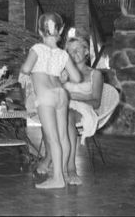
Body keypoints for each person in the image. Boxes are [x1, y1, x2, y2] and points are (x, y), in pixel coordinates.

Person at [19, 12, 81, 189]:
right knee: (63, 137)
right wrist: (62, 75)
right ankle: (61, 173)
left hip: (45, 96)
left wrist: (27, 73)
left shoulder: (37, 49)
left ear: (39, 30)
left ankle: (58, 179)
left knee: (53, 138)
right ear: (61, 29)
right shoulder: (63, 54)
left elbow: (26, 68)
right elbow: (76, 78)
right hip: (61, 94)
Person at [36, 36, 103, 186]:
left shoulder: (95, 74)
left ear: (86, 51)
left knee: (66, 115)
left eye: (78, 49)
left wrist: (72, 99)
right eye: (70, 51)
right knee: (48, 113)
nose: (74, 53)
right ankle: (49, 156)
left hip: (84, 108)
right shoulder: (62, 73)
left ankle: (71, 168)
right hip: (63, 105)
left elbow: (96, 102)